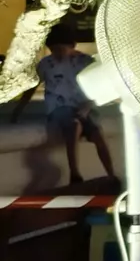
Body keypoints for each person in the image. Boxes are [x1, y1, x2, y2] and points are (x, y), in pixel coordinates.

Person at [9, 29, 117, 186]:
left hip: (83, 108)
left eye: (61, 49)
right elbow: (31, 87)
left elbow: (104, 87)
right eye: (54, 50)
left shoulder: (86, 62)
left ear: (72, 46)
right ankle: (75, 173)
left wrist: (89, 103)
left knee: (97, 135)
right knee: (74, 125)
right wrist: (18, 110)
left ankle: (111, 175)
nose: (57, 53)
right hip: (59, 108)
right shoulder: (46, 64)